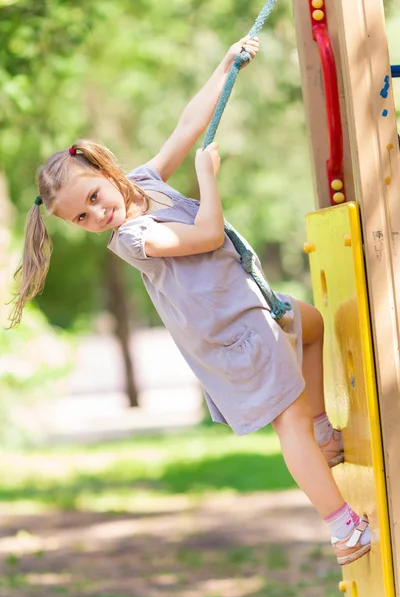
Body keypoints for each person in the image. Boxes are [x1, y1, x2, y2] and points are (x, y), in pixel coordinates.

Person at [9, 36, 370, 566]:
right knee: (286, 420)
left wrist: (227, 66)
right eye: (81, 218)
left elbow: (187, 126)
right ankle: (343, 528)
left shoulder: (145, 184)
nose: (96, 215)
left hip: (253, 309)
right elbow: (204, 235)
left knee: (312, 324)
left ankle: (321, 435)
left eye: (93, 197)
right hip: (231, 336)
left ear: (106, 173)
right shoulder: (133, 239)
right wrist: (208, 179)